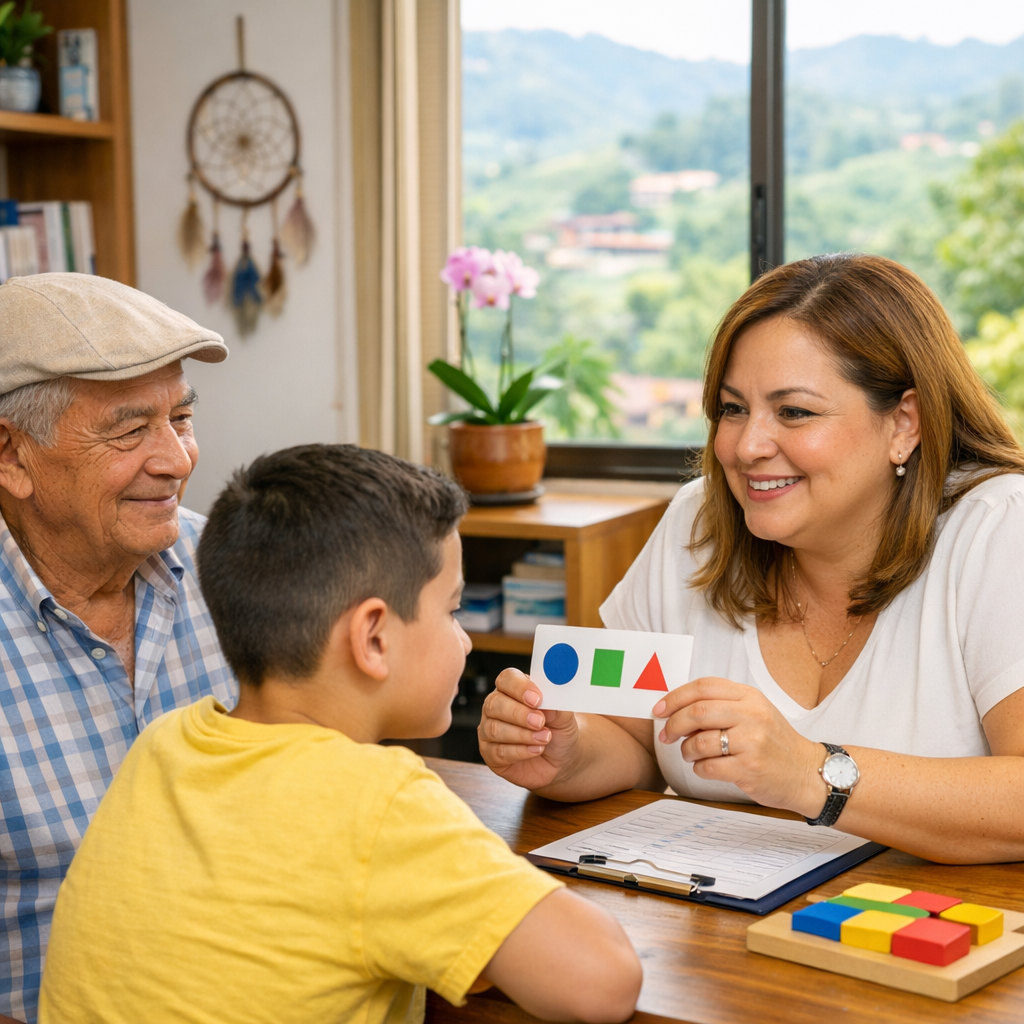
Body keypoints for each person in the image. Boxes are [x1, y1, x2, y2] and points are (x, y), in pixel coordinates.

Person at [38, 444, 642, 1024]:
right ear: (373, 638)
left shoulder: (165, 742)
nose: (464, 640)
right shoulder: (379, 805)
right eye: (451, 611)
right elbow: (603, 981)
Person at [478, 253, 1024, 865]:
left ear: (903, 423)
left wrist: (809, 772)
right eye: (733, 409)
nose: (746, 446)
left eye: (794, 412)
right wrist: (565, 753)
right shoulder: (699, 521)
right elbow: (635, 738)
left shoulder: (1000, 526)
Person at [0, 274, 238, 1024]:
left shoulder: (236, 566)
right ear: (10, 455)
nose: (177, 460)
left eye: (182, 418)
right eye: (130, 432)